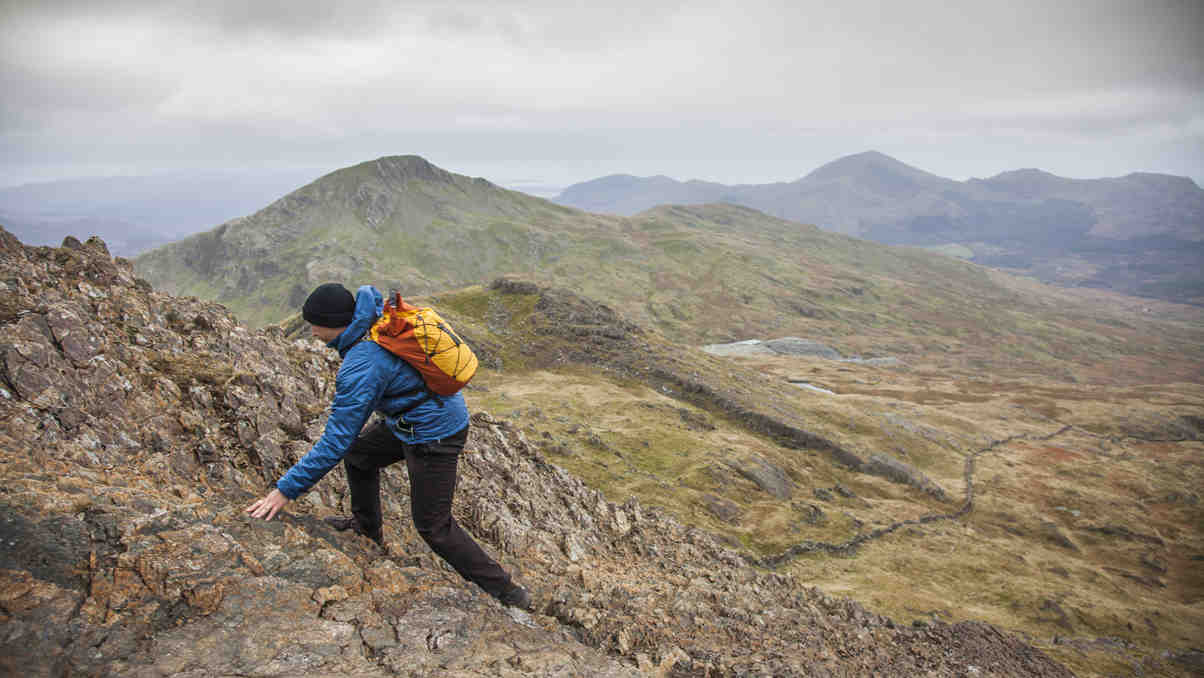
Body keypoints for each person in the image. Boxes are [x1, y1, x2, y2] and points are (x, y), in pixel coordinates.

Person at [246, 282, 532, 611]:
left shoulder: (363, 364)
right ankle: (366, 530)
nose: (311, 332)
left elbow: (335, 440)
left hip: (435, 433)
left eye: (315, 324)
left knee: (434, 527)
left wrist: (284, 491)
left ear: (334, 322)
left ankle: (509, 593)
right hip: (414, 420)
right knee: (360, 454)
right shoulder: (373, 319)